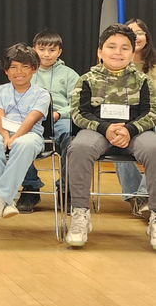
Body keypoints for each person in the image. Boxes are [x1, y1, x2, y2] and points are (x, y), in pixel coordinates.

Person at [66, 24, 156, 248]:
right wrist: (105, 128)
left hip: (134, 132)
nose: (118, 52)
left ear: (132, 52)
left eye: (125, 48)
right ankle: (80, 214)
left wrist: (129, 130)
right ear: (100, 52)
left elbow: (151, 113)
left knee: (154, 149)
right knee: (78, 148)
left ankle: (154, 215)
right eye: (111, 47)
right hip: (97, 131)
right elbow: (79, 113)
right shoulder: (86, 79)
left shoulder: (145, 81)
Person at [0, 44, 50, 221]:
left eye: (25, 67)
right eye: (14, 67)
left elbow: (31, 120)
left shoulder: (42, 94)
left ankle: (0, 199)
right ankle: (6, 202)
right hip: (0, 131)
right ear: (6, 71)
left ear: (34, 69)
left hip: (30, 133)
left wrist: (15, 137)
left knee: (23, 144)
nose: (19, 71)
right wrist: (5, 136)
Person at [15, 30, 79, 213]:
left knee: (72, 137)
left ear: (59, 52)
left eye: (52, 50)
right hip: (30, 119)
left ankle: (66, 189)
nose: (46, 54)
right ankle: (30, 188)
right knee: (18, 137)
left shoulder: (70, 75)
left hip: (59, 118)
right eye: (42, 49)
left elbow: (77, 103)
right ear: (34, 50)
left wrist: (59, 113)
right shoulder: (24, 72)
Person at [114, 17, 156, 217]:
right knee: (113, 133)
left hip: (152, 118)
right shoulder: (115, 63)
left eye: (140, 32)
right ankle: (138, 197)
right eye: (131, 32)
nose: (136, 36)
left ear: (146, 37)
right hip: (125, 117)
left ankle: (142, 195)